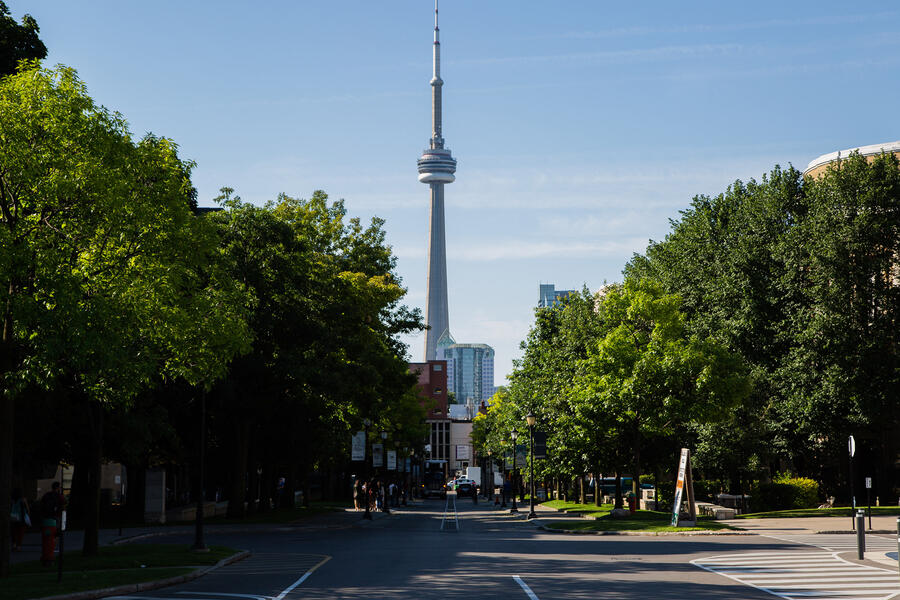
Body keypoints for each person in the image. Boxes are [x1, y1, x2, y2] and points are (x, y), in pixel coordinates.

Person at [40, 482, 64, 566]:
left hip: (45, 519)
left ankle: (46, 556)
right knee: (55, 534)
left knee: (46, 539)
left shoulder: (46, 495)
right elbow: (63, 503)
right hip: (55, 518)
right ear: (58, 488)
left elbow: (41, 505)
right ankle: (51, 554)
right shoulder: (58, 496)